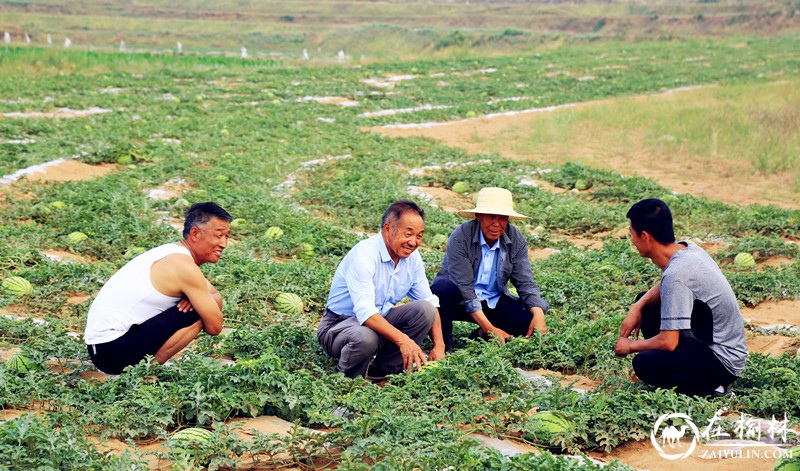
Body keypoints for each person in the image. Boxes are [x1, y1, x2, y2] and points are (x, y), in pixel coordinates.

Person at [614, 198, 748, 397]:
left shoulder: (677, 274)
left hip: (722, 361)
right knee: (647, 303)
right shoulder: (687, 250)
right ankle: (680, 365)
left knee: (644, 364)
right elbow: (669, 284)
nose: (632, 240)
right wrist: (638, 306)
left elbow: (668, 342)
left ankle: (712, 387)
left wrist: (631, 346)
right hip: (709, 342)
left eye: (632, 234)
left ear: (645, 236)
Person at [84, 202, 231, 375]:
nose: (224, 244)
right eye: (218, 235)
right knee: (197, 313)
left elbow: (216, 297)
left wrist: (196, 300)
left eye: (227, 236)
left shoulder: (172, 252)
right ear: (195, 233)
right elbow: (215, 327)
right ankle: (145, 373)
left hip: (101, 347)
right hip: (112, 353)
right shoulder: (183, 266)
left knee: (200, 306)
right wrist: (199, 303)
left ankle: (144, 368)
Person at [317, 200, 446, 380]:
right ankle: (349, 380)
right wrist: (404, 340)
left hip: (378, 322)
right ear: (388, 229)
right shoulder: (365, 255)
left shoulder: (412, 258)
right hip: (338, 326)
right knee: (365, 336)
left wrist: (439, 345)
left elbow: (430, 301)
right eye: (408, 234)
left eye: (419, 236)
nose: (413, 242)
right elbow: (366, 313)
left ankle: (385, 371)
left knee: (425, 310)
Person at [430, 187, 548, 351]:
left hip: (493, 302)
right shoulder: (462, 235)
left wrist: (539, 313)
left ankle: (479, 336)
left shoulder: (516, 239)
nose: (496, 224)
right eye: (491, 216)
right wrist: (491, 329)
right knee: (440, 290)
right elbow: (464, 288)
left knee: (529, 318)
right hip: (459, 301)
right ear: (478, 216)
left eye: (502, 218)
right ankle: (444, 345)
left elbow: (525, 282)